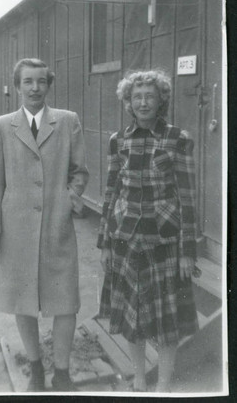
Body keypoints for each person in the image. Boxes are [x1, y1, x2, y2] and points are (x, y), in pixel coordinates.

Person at [0, 58, 88, 392]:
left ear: (48, 85)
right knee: (21, 299)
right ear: (17, 86)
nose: (35, 88)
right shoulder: (2, 125)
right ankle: (37, 367)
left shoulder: (67, 122)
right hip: (16, 228)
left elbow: (80, 171)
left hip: (58, 225)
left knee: (65, 300)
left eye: (41, 81)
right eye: (28, 82)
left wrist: (68, 199)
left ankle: (64, 373)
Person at [97, 69, 198, 393]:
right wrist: (105, 243)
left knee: (167, 322)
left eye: (149, 96)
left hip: (164, 243)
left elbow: (187, 197)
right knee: (132, 317)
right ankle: (139, 378)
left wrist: (187, 250)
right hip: (126, 240)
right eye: (136, 97)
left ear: (161, 100)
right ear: (128, 101)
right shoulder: (119, 140)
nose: (143, 102)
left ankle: (164, 385)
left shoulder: (177, 139)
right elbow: (111, 192)